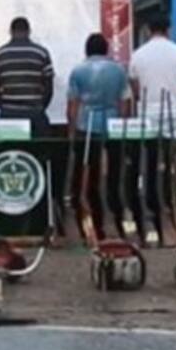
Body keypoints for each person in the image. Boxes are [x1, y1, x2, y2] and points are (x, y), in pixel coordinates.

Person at [129, 15, 176, 238]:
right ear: (168, 29)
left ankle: (155, 219)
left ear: (148, 30)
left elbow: (136, 91)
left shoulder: (138, 55)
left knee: (150, 170)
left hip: (148, 119)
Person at [68, 33, 129, 239]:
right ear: (106, 49)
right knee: (114, 177)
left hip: (87, 126)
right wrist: (122, 124)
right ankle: (120, 224)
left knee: (88, 177)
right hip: (113, 126)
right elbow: (125, 102)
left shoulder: (78, 70)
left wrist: (72, 130)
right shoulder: (118, 70)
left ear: (87, 50)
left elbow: (73, 104)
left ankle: (95, 225)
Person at [0, 16, 55, 139]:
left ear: (10, 31)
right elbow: (49, 88)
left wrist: (5, 107)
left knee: (10, 149)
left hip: (8, 115)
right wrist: (40, 107)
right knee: (40, 149)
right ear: (29, 31)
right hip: (36, 114)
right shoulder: (41, 53)